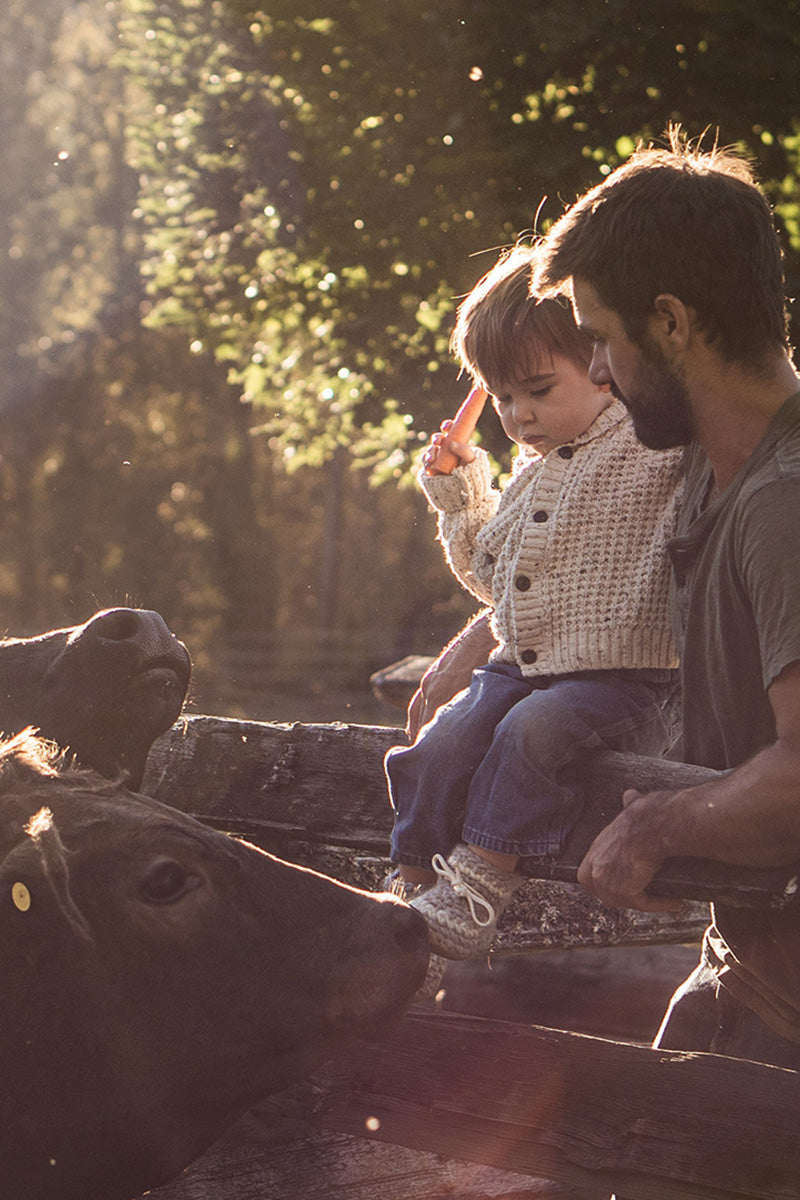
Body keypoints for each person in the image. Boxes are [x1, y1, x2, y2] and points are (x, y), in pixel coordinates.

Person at [531, 126, 800, 1069]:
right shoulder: (704, 464)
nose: (595, 371)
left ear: (674, 324)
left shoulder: (785, 507)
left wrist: (659, 824)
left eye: (601, 338)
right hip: (745, 975)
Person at [385, 244, 682, 969]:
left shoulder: (656, 445)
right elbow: (493, 577)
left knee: (532, 732)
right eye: (504, 397)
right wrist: (460, 493)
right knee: (447, 739)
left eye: (538, 391)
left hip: (627, 678)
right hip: (528, 665)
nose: (518, 415)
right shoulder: (535, 472)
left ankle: (481, 885)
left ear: (606, 366)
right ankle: (412, 876)